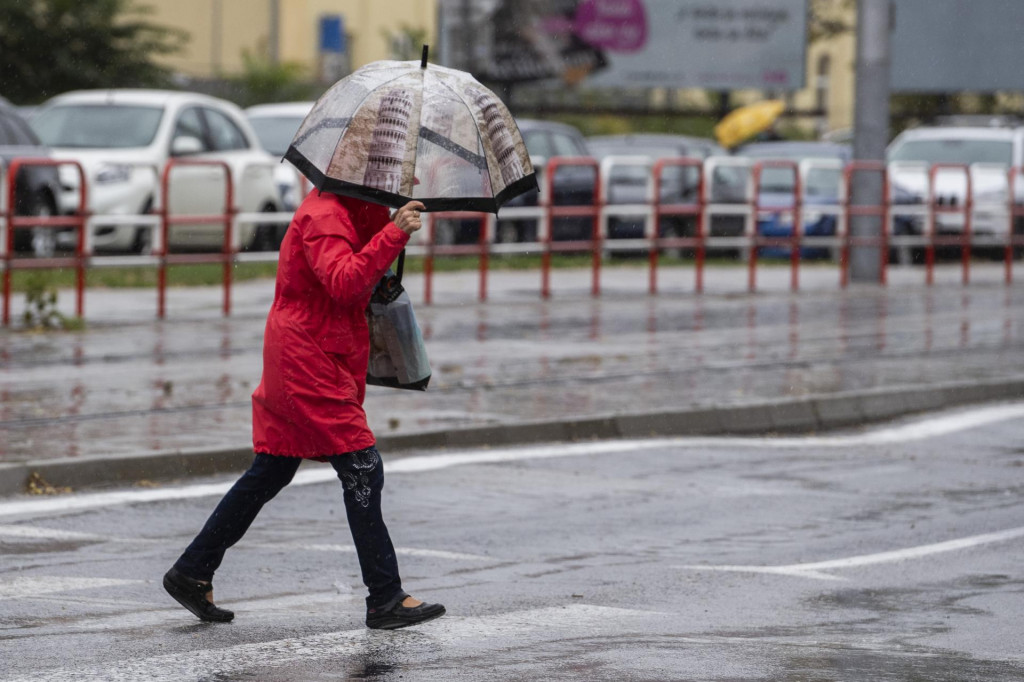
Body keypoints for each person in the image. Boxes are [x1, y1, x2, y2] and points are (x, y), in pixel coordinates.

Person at [163, 191, 445, 630]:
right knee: (363, 467)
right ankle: (385, 596)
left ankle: (192, 570)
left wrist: (389, 225)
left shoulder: (353, 208)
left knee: (271, 469)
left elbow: (363, 268)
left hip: (316, 353)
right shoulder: (323, 216)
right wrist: (393, 233)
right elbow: (345, 283)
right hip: (307, 360)